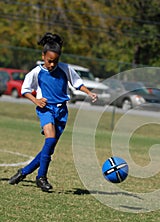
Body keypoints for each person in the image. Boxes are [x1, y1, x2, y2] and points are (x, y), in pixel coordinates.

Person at [8, 32, 98, 192]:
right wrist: (36, 100)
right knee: (50, 139)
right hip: (46, 109)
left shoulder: (65, 69)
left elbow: (77, 83)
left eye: (55, 61)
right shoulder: (36, 72)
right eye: (49, 61)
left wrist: (89, 92)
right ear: (43, 56)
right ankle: (41, 178)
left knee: (48, 149)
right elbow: (25, 90)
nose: (52, 65)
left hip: (62, 111)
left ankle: (23, 172)